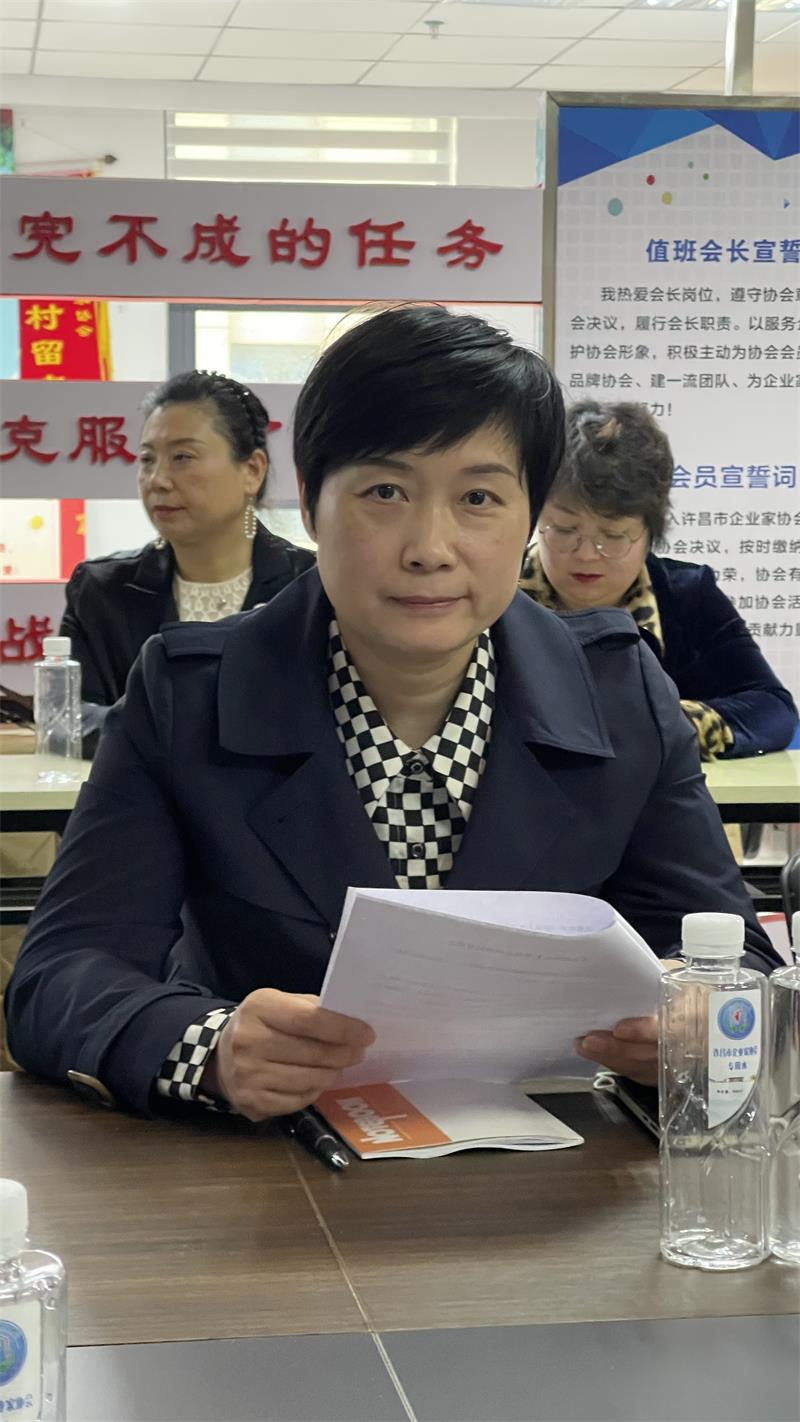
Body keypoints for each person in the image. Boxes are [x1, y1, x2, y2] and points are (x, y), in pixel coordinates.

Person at [6, 306, 780, 1124]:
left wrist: (693, 1022)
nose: (429, 548)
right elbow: (60, 974)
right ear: (311, 504)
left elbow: (738, 959)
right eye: (385, 491)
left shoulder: (618, 693)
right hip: (271, 1163)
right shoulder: (188, 695)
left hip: (556, 1159)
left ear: (528, 518)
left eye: (478, 496)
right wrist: (211, 1047)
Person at [520, 400, 797, 760]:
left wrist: (671, 725)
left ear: (650, 533)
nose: (586, 554)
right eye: (563, 529)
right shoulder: (499, 591)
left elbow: (773, 708)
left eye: (614, 535)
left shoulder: (686, 596)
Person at [60, 371, 316, 754]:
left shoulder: (310, 586)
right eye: (147, 460)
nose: (158, 480)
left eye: (183, 457)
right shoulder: (101, 589)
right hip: (133, 790)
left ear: (252, 470)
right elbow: (69, 715)